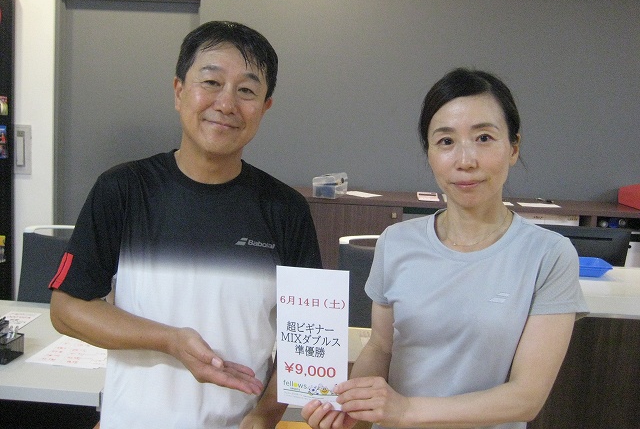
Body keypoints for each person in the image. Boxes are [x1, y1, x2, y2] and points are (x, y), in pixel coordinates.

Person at [49, 21, 322, 429]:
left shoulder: (286, 209)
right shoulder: (123, 189)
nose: (226, 104)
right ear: (179, 91)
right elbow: (67, 309)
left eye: (246, 91)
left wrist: (264, 416)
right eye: (211, 82)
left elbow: (308, 338)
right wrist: (171, 341)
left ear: (265, 107)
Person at [302, 68, 588, 429]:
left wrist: (406, 410)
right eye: (446, 141)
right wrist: (353, 410)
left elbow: (526, 397)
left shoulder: (549, 255)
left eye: (483, 138)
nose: (465, 160)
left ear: (513, 147)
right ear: (430, 153)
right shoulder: (396, 242)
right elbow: (381, 347)